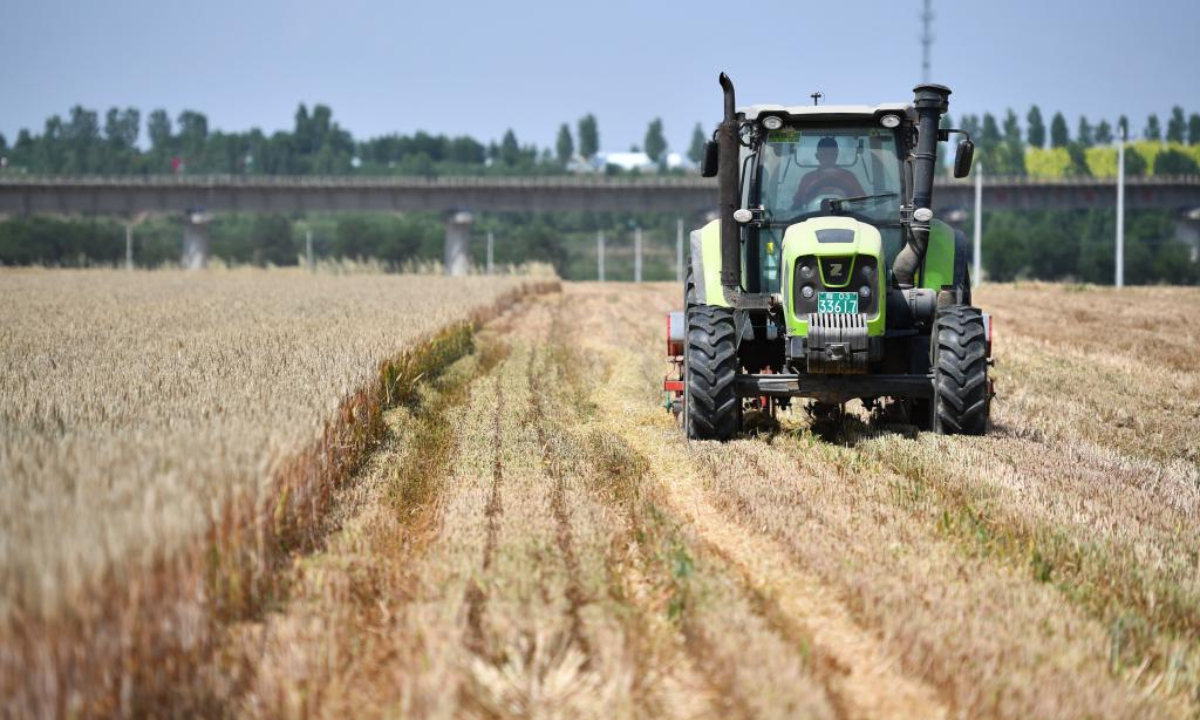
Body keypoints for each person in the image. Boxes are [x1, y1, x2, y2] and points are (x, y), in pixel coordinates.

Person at [792, 137, 864, 209]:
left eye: (832, 154)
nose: (828, 158)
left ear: (836, 155)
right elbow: (797, 206)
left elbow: (862, 204)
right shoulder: (808, 178)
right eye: (825, 155)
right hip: (813, 218)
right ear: (817, 156)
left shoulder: (849, 177)